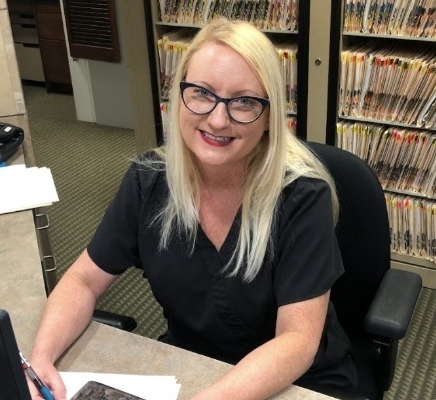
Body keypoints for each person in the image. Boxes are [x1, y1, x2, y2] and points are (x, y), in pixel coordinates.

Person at [27, 17, 357, 400]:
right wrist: (41, 360)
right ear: (178, 97)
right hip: (190, 368)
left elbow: (297, 341)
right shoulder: (148, 181)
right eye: (202, 92)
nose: (218, 119)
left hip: (297, 383)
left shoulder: (300, 197)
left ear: (269, 117)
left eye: (245, 101)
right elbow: (83, 280)